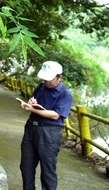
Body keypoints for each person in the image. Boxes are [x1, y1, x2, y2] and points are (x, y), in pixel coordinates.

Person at [19, 61, 73, 190]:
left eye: (49, 79)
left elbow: (55, 115)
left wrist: (33, 110)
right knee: (26, 166)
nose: (45, 82)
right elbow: (33, 99)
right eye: (44, 79)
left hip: (49, 132)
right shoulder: (41, 87)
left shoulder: (65, 94)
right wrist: (31, 102)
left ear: (59, 77)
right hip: (31, 128)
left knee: (48, 169)